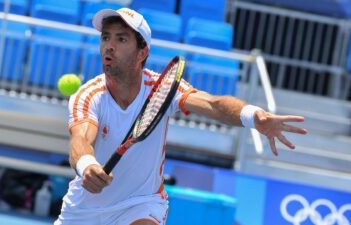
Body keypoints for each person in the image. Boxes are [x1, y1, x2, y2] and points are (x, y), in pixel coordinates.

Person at [54, 7, 307, 225]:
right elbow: (80, 140)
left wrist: (253, 116)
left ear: (142, 53)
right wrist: (87, 166)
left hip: (140, 203)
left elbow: (213, 103)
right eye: (105, 37)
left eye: (121, 39)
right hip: (84, 210)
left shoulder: (163, 89)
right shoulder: (89, 95)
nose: (109, 45)